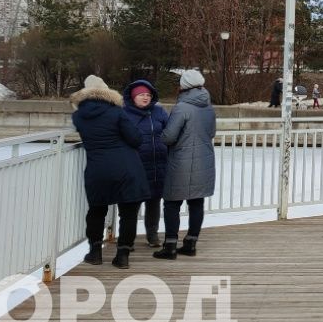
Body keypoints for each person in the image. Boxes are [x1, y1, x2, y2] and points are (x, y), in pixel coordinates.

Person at [70, 75, 150, 269]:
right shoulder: (117, 112)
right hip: (127, 168)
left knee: (97, 210)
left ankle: (95, 252)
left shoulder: (78, 116)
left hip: (98, 169)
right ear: (107, 92)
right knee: (129, 213)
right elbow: (135, 139)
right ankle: (122, 256)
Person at [155, 69, 217, 259]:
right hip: (204, 160)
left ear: (184, 86)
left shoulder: (181, 107)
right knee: (196, 203)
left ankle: (170, 246)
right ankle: (190, 244)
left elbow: (169, 137)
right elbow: (212, 133)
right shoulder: (209, 107)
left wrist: (160, 133)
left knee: (172, 203)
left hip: (181, 162)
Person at [122, 79, 168, 248]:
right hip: (135, 165)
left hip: (157, 165)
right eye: (141, 94)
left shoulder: (159, 112)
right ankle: (128, 238)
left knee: (154, 201)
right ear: (133, 97)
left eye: (148, 95)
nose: (145, 98)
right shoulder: (124, 114)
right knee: (132, 204)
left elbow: (169, 131)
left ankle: (152, 235)